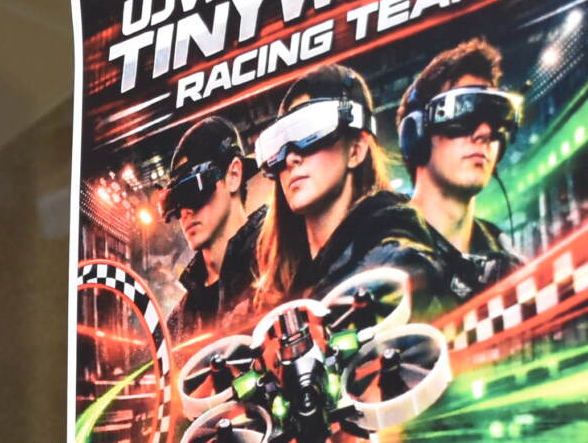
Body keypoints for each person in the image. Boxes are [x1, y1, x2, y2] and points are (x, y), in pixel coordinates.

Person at [358, 39, 523, 316]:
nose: (483, 133)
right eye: (463, 113)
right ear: (416, 135)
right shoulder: (371, 258)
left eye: (495, 119)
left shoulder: (506, 265)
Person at [247, 64, 407, 302]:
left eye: (310, 133)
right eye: (280, 145)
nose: (291, 158)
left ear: (356, 150)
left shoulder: (400, 255)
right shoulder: (278, 285)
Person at [162, 118, 265, 332]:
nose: (185, 211)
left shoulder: (282, 261)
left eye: (193, 190)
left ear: (233, 175)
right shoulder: (181, 320)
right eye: (175, 201)